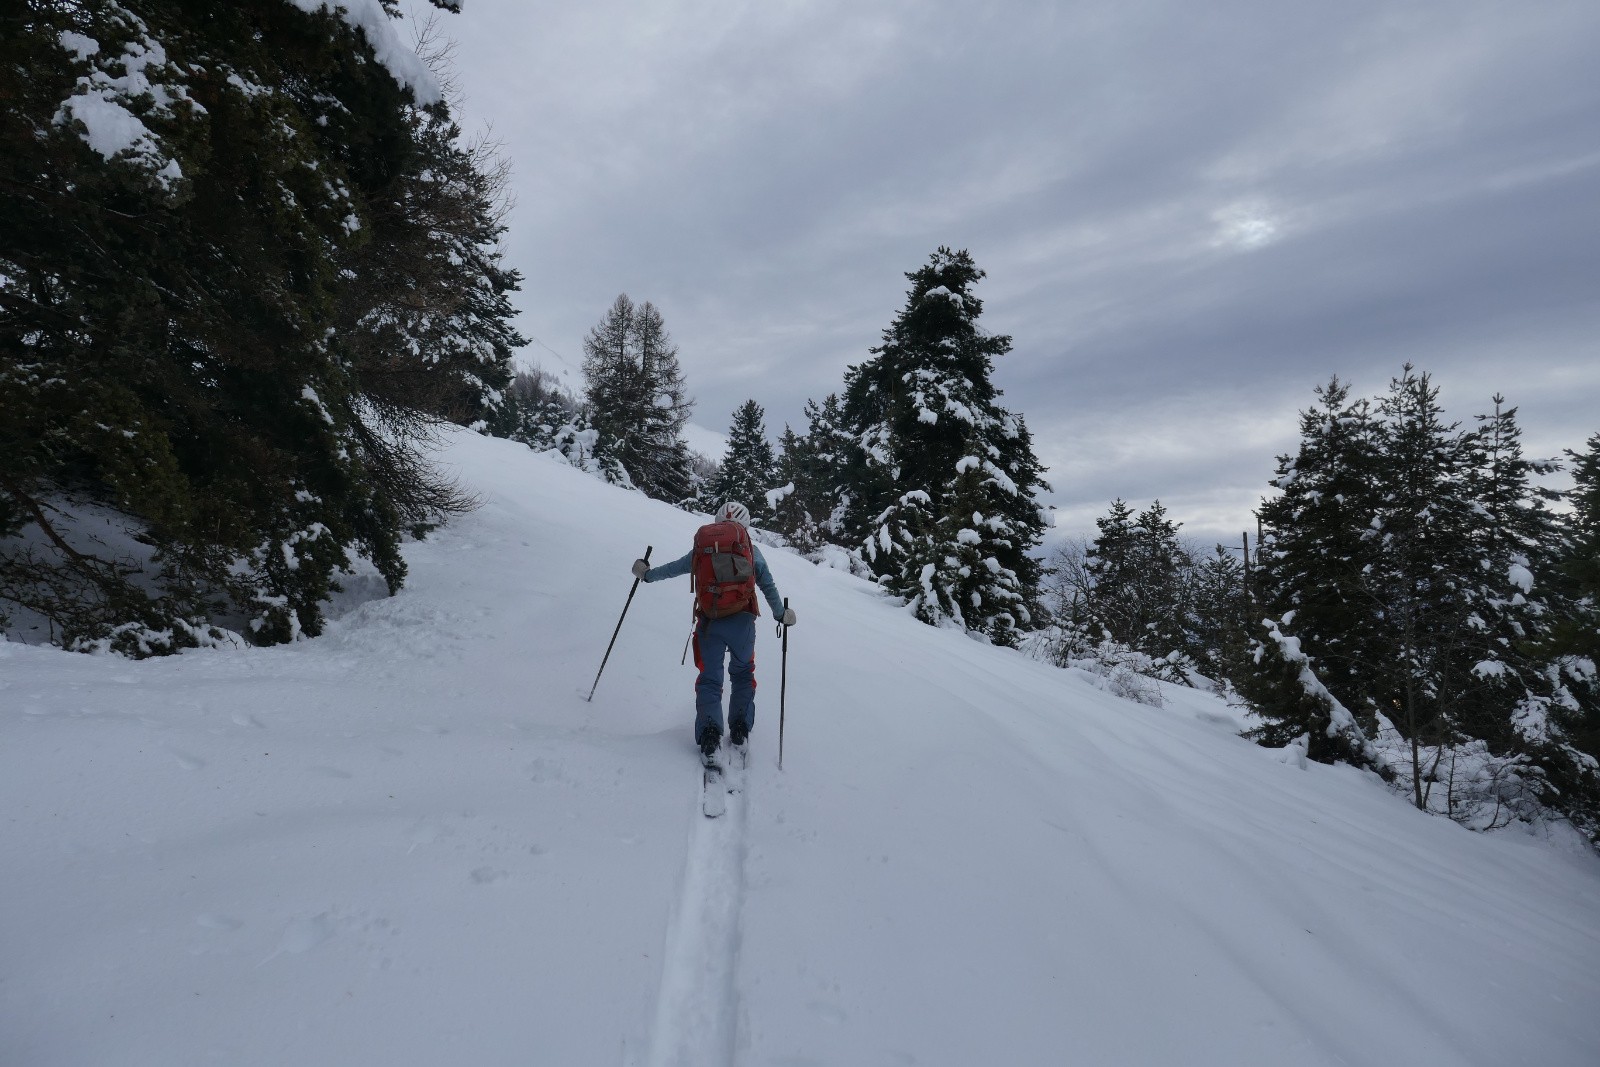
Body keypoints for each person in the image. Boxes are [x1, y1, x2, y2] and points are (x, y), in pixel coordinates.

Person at [633, 501, 796, 757]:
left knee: (710, 679)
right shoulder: (751, 550)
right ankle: (740, 727)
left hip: (709, 623)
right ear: (746, 525)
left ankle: (709, 734)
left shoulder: (703, 549)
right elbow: (767, 585)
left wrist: (647, 575)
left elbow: (674, 568)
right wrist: (781, 614)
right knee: (743, 673)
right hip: (742, 623)